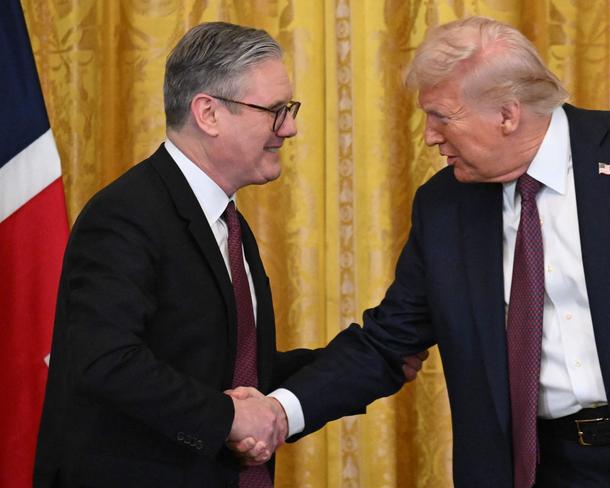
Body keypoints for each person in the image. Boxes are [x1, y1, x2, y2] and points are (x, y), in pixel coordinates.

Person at [256, 16, 610, 488]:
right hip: (536, 469)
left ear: (507, 114)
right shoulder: (444, 206)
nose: (429, 136)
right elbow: (385, 344)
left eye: (442, 116)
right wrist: (279, 410)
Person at [33, 22, 426, 488]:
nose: (291, 127)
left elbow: (229, 370)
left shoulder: (225, 221)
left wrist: (369, 362)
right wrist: (231, 419)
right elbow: (105, 360)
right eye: (276, 111)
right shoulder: (125, 215)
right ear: (209, 113)